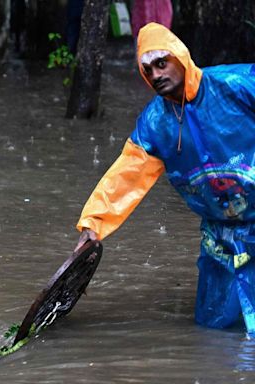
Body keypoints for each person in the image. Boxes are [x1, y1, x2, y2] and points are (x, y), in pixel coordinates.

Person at [74, 22, 255, 334]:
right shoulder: (154, 124)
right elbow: (126, 175)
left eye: (161, 64)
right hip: (220, 234)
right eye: (148, 70)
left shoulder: (235, 84)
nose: (156, 75)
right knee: (213, 328)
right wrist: (93, 226)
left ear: (180, 58)